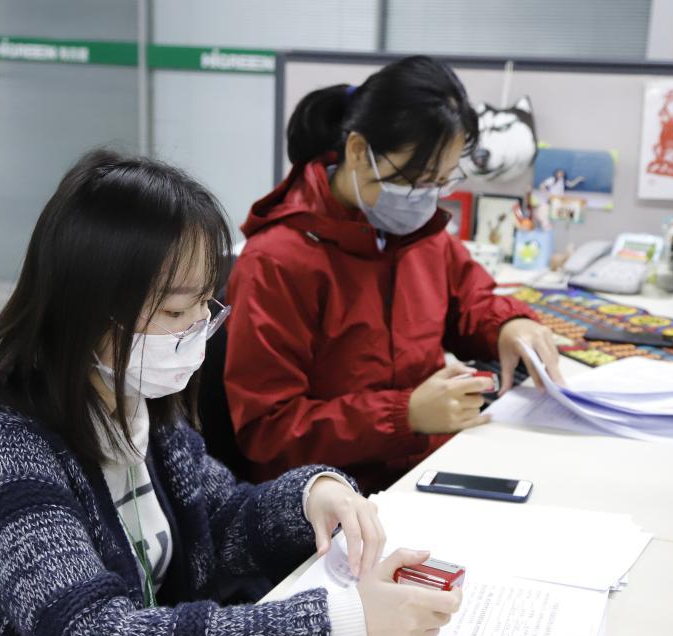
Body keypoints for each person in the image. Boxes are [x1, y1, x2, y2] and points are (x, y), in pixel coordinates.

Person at [0, 150, 462, 636]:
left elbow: (220, 520)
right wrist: (341, 629)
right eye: (178, 310)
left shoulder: (133, 402)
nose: (198, 330)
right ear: (90, 308)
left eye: (206, 303)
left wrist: (312, 496)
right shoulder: (0, 450)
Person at [225, 55, 564, 492]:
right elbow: (268, 429)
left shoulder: (421, 236)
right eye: (416, 178)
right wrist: (404, 415)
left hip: (424, 468)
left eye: (441, 180)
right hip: (330, 497)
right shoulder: (277, 261)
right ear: (357, 151)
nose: (426, 197)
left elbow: (469, 302)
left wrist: (507, 325)